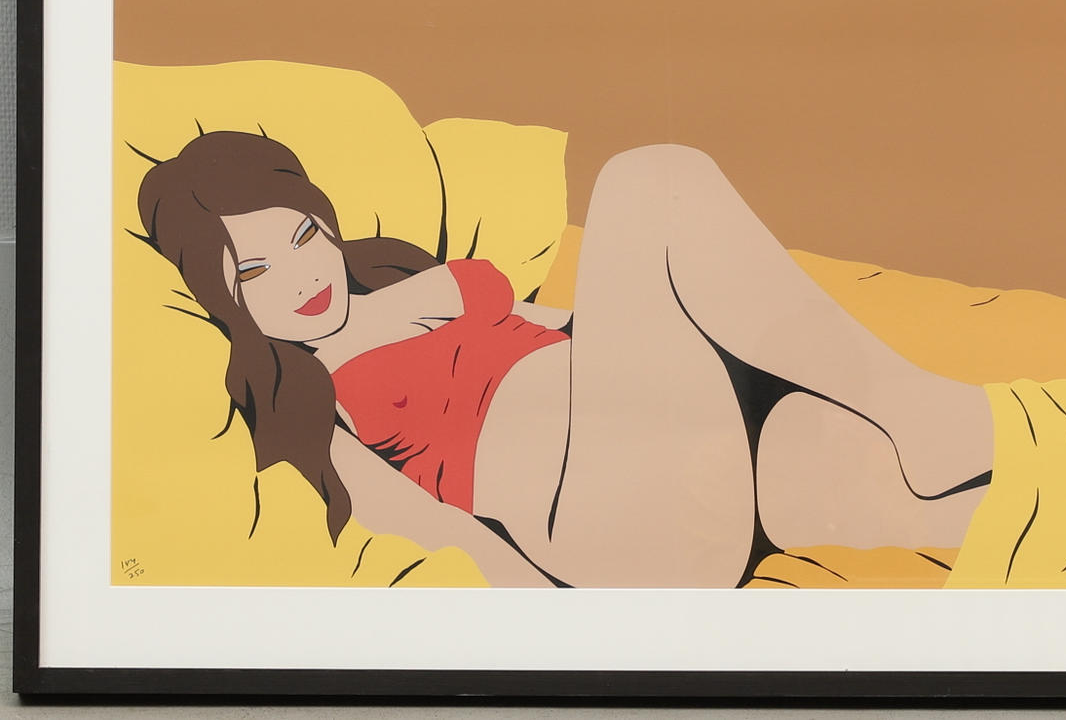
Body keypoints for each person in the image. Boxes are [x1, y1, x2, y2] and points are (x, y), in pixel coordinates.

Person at [135, 130, 994, 588]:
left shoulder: (400, 277)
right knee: (650, 176)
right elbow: (438, 534)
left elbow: (580, 329)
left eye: (301, 237)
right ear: (225, 299)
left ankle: (982, 485)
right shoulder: (306, 401)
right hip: (612, 531)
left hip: (682, 468)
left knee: (844, 455)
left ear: (325, 222)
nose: (300, 276)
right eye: (255, 271)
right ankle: (934, 416)